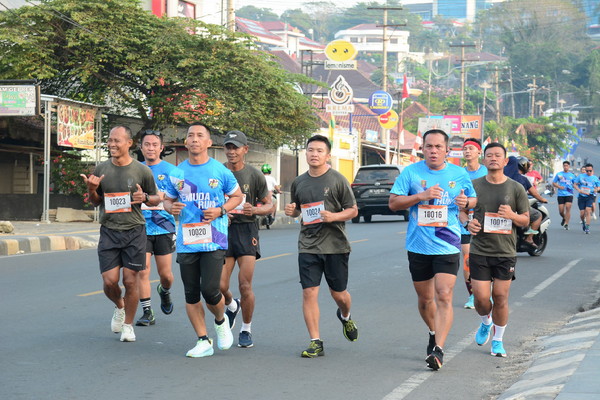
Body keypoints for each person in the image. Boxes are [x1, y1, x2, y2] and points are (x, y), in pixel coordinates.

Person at [389, 129, 476, 371]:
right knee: (425, 299)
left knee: (444, 294)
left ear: (447, 150)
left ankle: (438, 350)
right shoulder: (411, 172)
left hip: (447, 241)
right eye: (429, 146)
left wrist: (466, 203)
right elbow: (393, 203)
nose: (434, 150)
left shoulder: (459, 174)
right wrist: (421, 196)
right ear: (423, 149)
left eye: (439, 146)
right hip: (418, 245)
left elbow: (472, 199)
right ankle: (433, 331)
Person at [163, 122, 244, 357]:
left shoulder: (220, 171)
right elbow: (167, 200)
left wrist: (221, 210)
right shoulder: (177, 173)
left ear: (209, 142)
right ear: (186, 142)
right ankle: (202, 340)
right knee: (190, 293)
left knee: (210, 289)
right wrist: (171, 207)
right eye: (191, 136)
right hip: (187, 240)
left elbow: (237, 196)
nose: (195, 139)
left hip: (214, 238)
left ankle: (220, 321)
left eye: (200, 136)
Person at [80, 125, 160, 342]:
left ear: (128, 144)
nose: (112, 144)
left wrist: (144, 198)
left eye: (117, 141)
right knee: (109, 281)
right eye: (110, 140)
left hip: (134, 230)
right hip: (109, 231)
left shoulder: (142, 171)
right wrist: (91, 189)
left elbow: (156, 198)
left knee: (131, 281)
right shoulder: (101, 169)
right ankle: (119, 305)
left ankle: (128, 326)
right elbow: (97, 202)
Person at [284, 134, 359, 358]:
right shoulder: (299, 182)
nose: (314, 154)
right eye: (310, 150)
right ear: (305, 153)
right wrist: (292, 212)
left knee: (339, 295)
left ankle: (345, 316)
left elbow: (353, 210)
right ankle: (315, 341)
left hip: (335, 246)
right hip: (308, 245)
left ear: (328, 155)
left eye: (319, 151)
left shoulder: (337, 180)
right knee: (309, 293)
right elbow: (298, 209)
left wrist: (333, 216)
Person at [460, 142, 530, 358]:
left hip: (505, 252)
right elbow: (462, 211)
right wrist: (467, 223)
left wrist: (512, 216)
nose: (493, 158)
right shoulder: (474, 185)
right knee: (481, 300)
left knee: (500, 297)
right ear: (484, 159)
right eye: (489, 155)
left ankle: (498, 340)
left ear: (505, 161)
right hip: (480, 250)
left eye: (498, 155)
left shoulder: (516, 188)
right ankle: (485, 321)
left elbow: (525, 220)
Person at [220, 130, 272, 348]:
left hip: (247, 231)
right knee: (219, 285)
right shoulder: (218, 171)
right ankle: (232, 306)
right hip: (224, 231)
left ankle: (246, 329)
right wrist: (223, 212)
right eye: (229, 147)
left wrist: (256, 211)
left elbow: (270, 205)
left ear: (245, 150)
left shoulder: (254, 175)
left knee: (245, 284)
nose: (232, 152)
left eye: (236, 147)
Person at [135, 130, 184, 327]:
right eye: (147, 144)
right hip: (140, 226)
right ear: (141, 147)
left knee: (166, 275)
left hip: (164, 227)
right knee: (142, 271)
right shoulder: (135, 170)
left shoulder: (174, 171)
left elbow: (183, 196)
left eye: (155, 144)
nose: (151, 148)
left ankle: (164, 291)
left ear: (161, 148)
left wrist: (167, 200)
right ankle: (147, 311)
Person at [460, 138, 488, 310]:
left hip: (486, 221)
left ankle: (486, 292)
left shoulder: (487, 171)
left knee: (486, 259)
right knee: (468, 259)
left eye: (471, 148)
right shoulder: (459, 174)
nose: (467, 151)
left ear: (479, 152)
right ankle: (472, 295)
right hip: (466, 221)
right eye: (465, 149)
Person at [504, 157, 546, 248]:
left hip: (502, 206)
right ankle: (529, 238)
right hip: (517, 207)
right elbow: (535, 194)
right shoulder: (523, 179)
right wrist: (543, 199)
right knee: (538, 215)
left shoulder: (502, 177)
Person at [573, 164, 600, 234]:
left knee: (588, 210)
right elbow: (575, 184)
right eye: (587, 171)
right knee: (582, 213)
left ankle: (587, 227)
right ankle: (583, 223)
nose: (588, 172)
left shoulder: (595, 178)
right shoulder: (581, 176)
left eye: (590, 171)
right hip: (581, 196)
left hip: (590, 196)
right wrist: (579, 190)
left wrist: (596, 190)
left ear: (592, 170)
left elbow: (598, 187)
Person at [552, 160, 576, 230]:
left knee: (568, 208)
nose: (565, 167)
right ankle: (564, 218)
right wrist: (559, 187)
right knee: (561, 211)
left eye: (567, 166)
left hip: (569, 193)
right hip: (561, 194)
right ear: (563, 166)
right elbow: (554, 183)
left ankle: (566, 223)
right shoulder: (559, 174)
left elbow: (575, 184)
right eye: (564, 166)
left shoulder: (572, 175)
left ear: (569, 166)